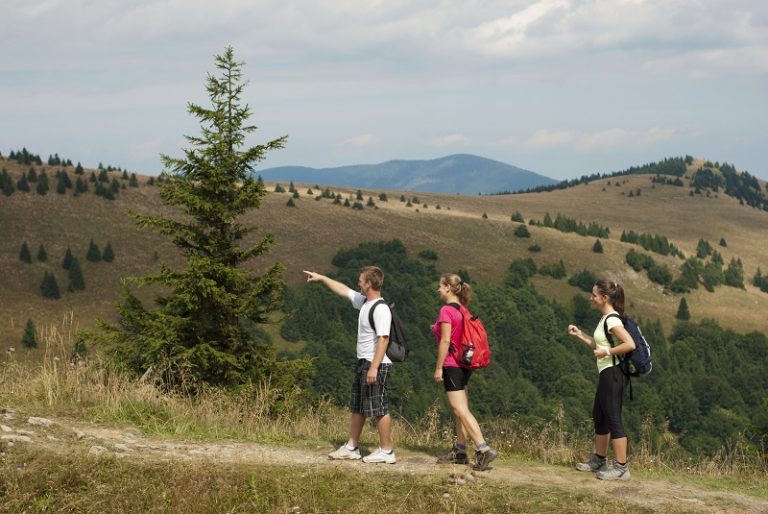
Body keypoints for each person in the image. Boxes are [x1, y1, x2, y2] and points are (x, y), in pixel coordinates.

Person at [303, 266, 396, 464]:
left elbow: (384, 340)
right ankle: (352, 447)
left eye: (361, 280)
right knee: (358, 406)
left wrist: (374, 367)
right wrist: (321, 277)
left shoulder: (381, 308)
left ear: (369, 284)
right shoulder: (364, 302)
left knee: (379, 407)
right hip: (364, 362)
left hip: (375, 364)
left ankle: (387, 451)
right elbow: (343, 290)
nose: (358, 283)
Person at [567, 279, 636, 481]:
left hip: (614, 374)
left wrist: (608, 351)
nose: (591, 298)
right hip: (607, 372)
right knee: (600, 415)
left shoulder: (612, 320)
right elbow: (599, 345)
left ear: (604, 298)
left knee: (613, 418)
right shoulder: (606, 318)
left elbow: (629, 344)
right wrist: (580, 335)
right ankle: (599, 459)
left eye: (594, 295)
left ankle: (621, 467)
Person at [432, 273, 497, 471]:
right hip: (465, 364)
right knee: (459, 409)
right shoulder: (462, 309)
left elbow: (445, 341)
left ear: (448, 288)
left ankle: (483, 449)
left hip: (452, 364)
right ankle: (460, 451)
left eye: (440, 286)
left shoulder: (445, 310)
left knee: (460, 409)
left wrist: (438, 367)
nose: (438, 290)